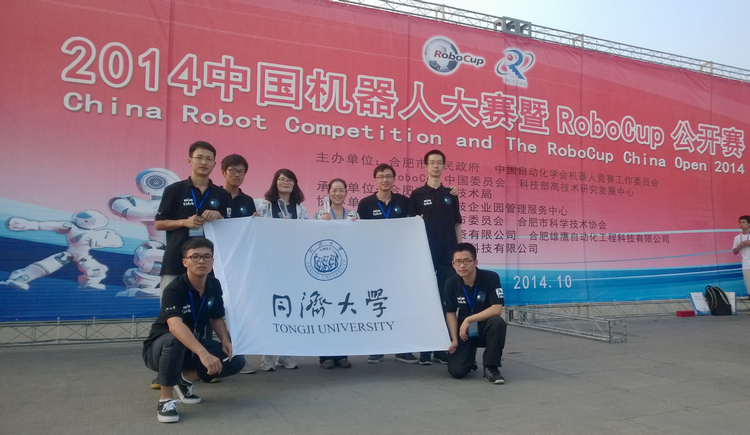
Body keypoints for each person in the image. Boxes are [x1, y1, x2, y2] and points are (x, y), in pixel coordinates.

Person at [142, 237, 245, 423]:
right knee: (175, 339)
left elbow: (216, 317)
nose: (201, 261)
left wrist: (225, 340)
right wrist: (203, 353)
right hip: (160, 350)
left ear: (212, 261)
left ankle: (185, 379)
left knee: (236, 359)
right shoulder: (174, 289)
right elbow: (175, 326)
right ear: (185, 262)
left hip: (193, 347)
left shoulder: (214, 285)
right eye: (195, 257)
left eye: (206, 256)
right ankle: (165, 401)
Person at [356, 164, 419, 364]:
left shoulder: (404, 202)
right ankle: (377, 347)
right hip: (374, 261)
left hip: (399, 261)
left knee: (400, 302)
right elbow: (360, 233)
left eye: (389, 176)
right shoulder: (365, 204)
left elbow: (412, 228)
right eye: (381, 176)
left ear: (394, 179)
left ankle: (403, 349)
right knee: (376, 302)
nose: (385, 180)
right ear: (375, 180)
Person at [408, 149, 462, 365]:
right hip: (425, 257)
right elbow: (410, 228)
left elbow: (457, 224)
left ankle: (442, 348)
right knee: (425, 301)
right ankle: (425, 350)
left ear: (444, 166)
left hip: (448, 257)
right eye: (432, 163)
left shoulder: (451, 194)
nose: (435, 166)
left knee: (446, 301)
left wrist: (460, 253)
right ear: (425, 166)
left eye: (439, 163)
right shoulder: (417, 195)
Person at [155, 141, 230, 292]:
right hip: (176, 262)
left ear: (214, 164)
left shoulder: (222, 194)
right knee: (172, 305)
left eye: (208, 159)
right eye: (199, 158)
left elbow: (231, 228)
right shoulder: (174, 190)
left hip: (210, 266)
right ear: (190, 160)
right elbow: (159, 224)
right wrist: (184, 222)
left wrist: (220, 217)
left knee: (207, 305)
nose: (204, 162)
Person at [256, 168, 308, 371]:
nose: (286, 182)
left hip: (293, 265)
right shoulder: (266, 205)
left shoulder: (300, 208)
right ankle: (267, 355)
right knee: (272, 308)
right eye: (282, 179)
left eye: (290, 180)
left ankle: (285, 354)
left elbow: (306, 234)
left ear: (295, 183)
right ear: (275, 182)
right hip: (271, 264)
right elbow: (259, 231)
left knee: (291, 307)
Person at [444, 243, 507, 384]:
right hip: (464, 332)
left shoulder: (490, 277)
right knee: (457, 372)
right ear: (453, 264)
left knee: (498, 322)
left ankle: (491, 367)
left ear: (475, 262)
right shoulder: (450, 283)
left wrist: (469, 319)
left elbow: (496, 308)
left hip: (485, 327)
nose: (462, 266)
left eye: (467, 261)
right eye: (458, 262)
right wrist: (454, 339)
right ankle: (469, 359)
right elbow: (450, 313)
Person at [220, 154, 260, 375]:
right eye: (233, 171)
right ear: (223, 172)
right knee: (213, 313)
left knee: (237, 312)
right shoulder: (214, 196)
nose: (237, 175)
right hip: (215, 262)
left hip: (239, 265)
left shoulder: (247, 201)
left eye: (241, 172)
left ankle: (238, 359)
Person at [313, 178, 357, 369]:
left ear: (346, 193)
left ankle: (342, 355)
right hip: (325, 270)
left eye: (341, 190)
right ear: (328, 192)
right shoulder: (320, 214)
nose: (338, 194)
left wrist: (357, 227)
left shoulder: (353, 215)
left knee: (343, 310)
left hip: (346, 271)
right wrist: (320, 224)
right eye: (334, 190)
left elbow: (358, 240)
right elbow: (311, 238)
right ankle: (326, 356)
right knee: (325, 310)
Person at [733, 215, 750, 294]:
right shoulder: (737, 237)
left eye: (744, 222)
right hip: (746, 264)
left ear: (749, 224)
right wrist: (740, 245)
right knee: (748, 284)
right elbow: (735, 252)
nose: (741, 224)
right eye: (740, 222)